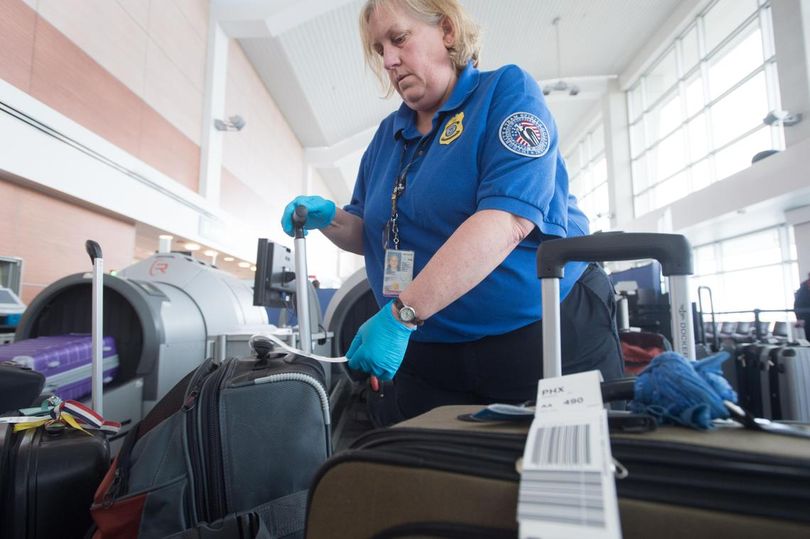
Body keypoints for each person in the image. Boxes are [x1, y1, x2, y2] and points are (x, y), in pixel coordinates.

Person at [281, 0, 623, 422]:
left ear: (446, 31)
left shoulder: (504, 92)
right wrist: (329, 218)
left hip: (541, 335)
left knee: (556, 475)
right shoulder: (389, 135)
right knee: (435, 479)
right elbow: (370, 232)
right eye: (378, 49)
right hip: (429, 350)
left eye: (399, 39)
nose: (388, 60)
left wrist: (402, 314)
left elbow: (508, 220)